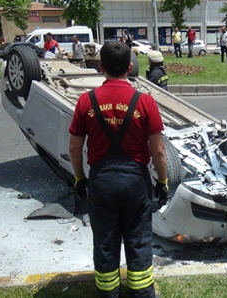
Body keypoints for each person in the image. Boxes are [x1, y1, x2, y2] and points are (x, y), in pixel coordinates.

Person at [69, 41, 168, 297]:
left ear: (101, 67)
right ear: (130, 67)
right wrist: (163, 182)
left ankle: (108, 294)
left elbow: (74, 147)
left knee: (105, 242)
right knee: (138, 240)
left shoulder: (85, 101)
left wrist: (80, 178)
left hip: (101, 181)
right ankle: (142, 293)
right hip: (135, 181)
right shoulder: (145, 102)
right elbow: (158, 151)